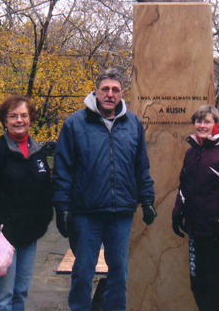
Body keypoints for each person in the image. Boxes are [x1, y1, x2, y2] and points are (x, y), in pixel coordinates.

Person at [53, 68, 156, 311]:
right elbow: (63, 169)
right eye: (105, 89)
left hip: (121, 212)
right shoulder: (75, 124)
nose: (110, 94)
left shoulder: (133, 124)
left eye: (115, 90)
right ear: (96, 91)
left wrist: (148, 199)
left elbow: (141, 165)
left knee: (119, 272)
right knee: (83, 271)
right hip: (86, 212)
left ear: (122, 94)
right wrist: (62, 207)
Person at [0, 95, 53, 311]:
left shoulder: (38, 152)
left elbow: (45, 190)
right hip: (1, 237)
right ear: (4, 120)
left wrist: (43, 219)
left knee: (20, 293)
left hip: (28, 235)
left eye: (24, 115)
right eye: (13, 116)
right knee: (3, 297)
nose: (19, 120)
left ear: (30, 118)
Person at [172, 104, 219, 311]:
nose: (202, 125)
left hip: (218, 232)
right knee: (199, 286)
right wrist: (178, 212)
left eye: (207, 121)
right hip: (196, 230)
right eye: (198, 121)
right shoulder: (192, 152)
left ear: (216, 124)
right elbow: (185, 186)